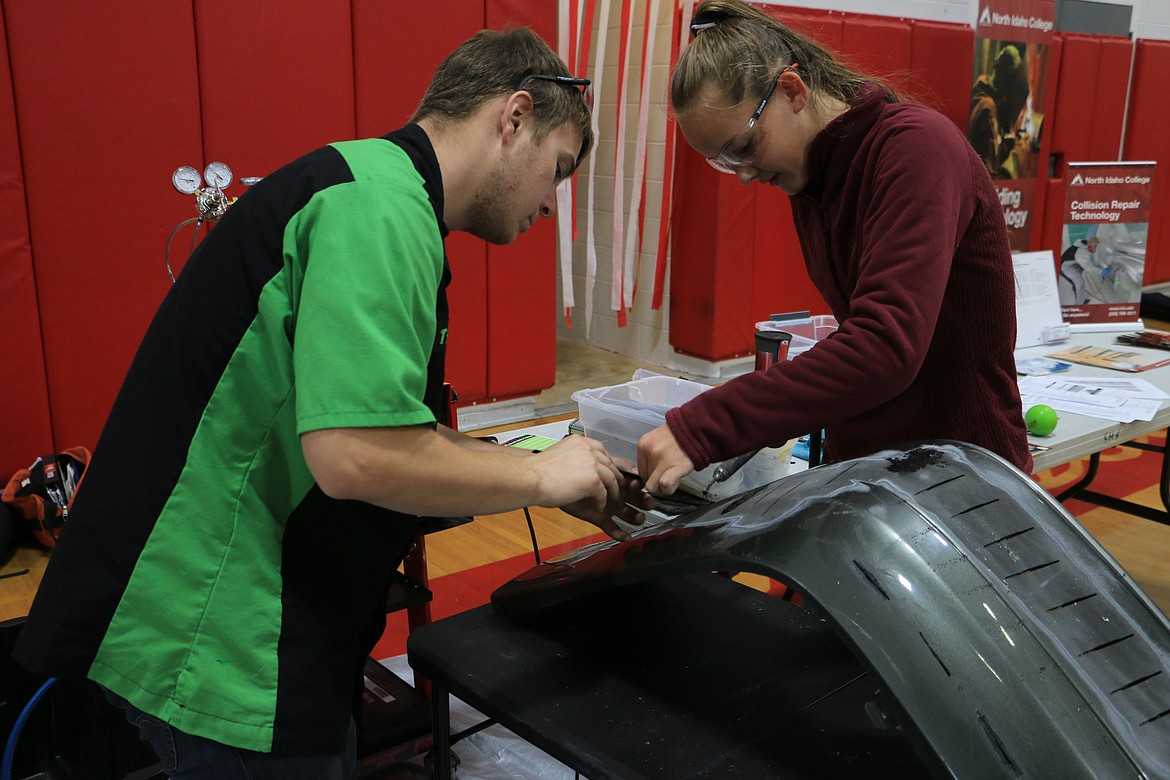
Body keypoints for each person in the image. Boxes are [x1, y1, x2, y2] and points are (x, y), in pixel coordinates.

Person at [14, 27, 649, 779]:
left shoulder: (368, 186)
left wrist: (537, 477)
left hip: (233, 613)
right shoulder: (378, 208)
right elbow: (357, 453)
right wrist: (543, 479)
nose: (550, 202)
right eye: (558, 170)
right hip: (218, 630)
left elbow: (393, 430)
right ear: (512, 119)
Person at [638, 0, 1032, 497]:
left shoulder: (916, 149)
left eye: (743, 147)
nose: (742, 175)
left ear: (792, 90)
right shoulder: (814, 177)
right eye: (721, 161)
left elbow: (885, 346)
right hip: (877, 470)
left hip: (959, 478)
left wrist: (704, 426)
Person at [1060, 235, 1102, 305]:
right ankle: (1079, 304)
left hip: (1068, 262)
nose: (1094, 249)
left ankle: (1075, 287)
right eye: (1094, 247)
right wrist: (1101, 272)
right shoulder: (1082, 252)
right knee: (1079, 282)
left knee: (1079, 272)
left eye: (1095, 246)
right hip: (1064, 267)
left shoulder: (1083, 243)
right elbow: (1088, 268)